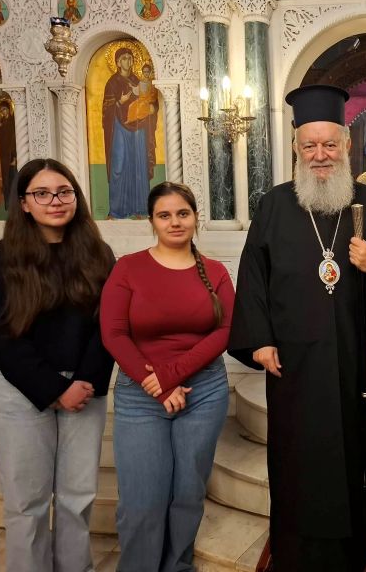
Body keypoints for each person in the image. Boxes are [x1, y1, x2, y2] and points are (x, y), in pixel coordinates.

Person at [228, 84, 366, 572]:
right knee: (296, 458)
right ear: (295, 147)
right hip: (291, 364)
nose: (320, 155)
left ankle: (347, 553)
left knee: (346, 454)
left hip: (350, 360)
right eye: (309, 145)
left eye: (330, 144)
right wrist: (259, 340)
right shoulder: (274, 206)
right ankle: (295, 553)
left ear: (347, 144)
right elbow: (253, 275)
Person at [0, 158, 115, 572]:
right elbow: (5, 338)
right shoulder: (2, 259)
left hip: (84, 387)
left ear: (76, 197)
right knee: (27, 502)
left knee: (77, 496)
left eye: (64, 192)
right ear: (23, 203)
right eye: (42, 193)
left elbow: (107, 326)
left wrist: (85, 381)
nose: (56, 201)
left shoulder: (98, 254)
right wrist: (55, 389)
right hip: (21, 389)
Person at [100, 181, 234, 571]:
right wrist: (158, 386)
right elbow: (113, 333)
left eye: (182, 213)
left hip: (203, 392)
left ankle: (177, 566)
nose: (174, 222)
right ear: (152, 221)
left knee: (188, 494)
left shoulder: (215, 271)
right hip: (141, 394)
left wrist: (171, 375)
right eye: (164, 215)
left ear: (195, 218)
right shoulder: (128, 268)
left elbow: (227, 329)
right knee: (142, 499)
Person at [101, 47, 155, 219]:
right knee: (118, 164)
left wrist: (153, 108)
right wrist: (119, 102)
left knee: (138, 164)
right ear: (117, 62)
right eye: (124, 58)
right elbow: (106, 108)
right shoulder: (112, 82)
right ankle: (116, 210)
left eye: (130, 58)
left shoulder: (138, 80)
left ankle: (140, 209)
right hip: (118, 126)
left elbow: (150, 98)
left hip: (138, 126)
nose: (128, 61)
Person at [0, 100, 17, 208]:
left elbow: (14, 139)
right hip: (4, 154)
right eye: (1, 110)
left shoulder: (13, 121)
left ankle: (15, 203)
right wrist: (0, 126)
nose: (3, 112)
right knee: (6, 178)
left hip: (12, 153)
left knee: (13, 177)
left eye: (4, 109)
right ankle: (8, 203)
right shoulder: (2, 121)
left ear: (9, 109)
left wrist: (14, 157)